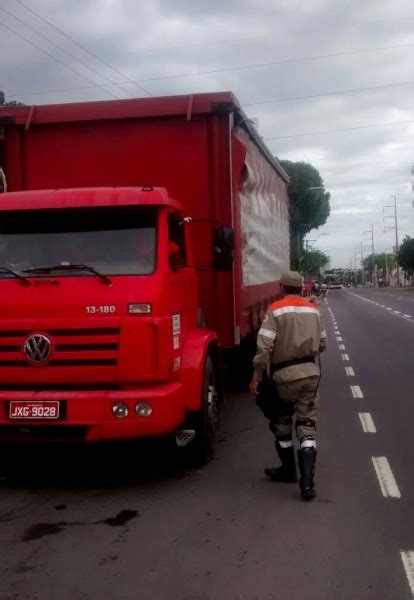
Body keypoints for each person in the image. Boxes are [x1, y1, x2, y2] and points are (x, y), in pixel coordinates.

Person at [249, 271, 327, 500]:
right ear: (301, 288)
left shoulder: (275, 310)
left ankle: (288, 471)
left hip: (284, 377)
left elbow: (264, 348)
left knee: (282, 424)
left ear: (282, 287)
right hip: (311, 374)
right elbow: (322, 344)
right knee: (306, 424)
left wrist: (256, 376)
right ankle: (307, 485)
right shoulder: (314, 310)